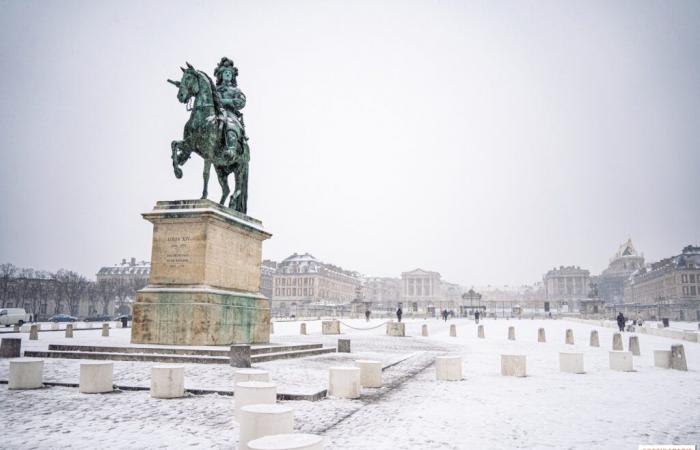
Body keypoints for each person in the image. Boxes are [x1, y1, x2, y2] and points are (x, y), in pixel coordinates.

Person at [213, 57, 248, 160]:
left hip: (230, 114)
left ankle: (232, 148)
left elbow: (242, 102)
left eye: (229, 73)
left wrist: (227, 102)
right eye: (225, 73)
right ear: (221, 75)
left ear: (232, 76)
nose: (228, 74)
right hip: (216, 114)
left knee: (230, 124)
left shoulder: (236, 90)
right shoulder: (214, 90)